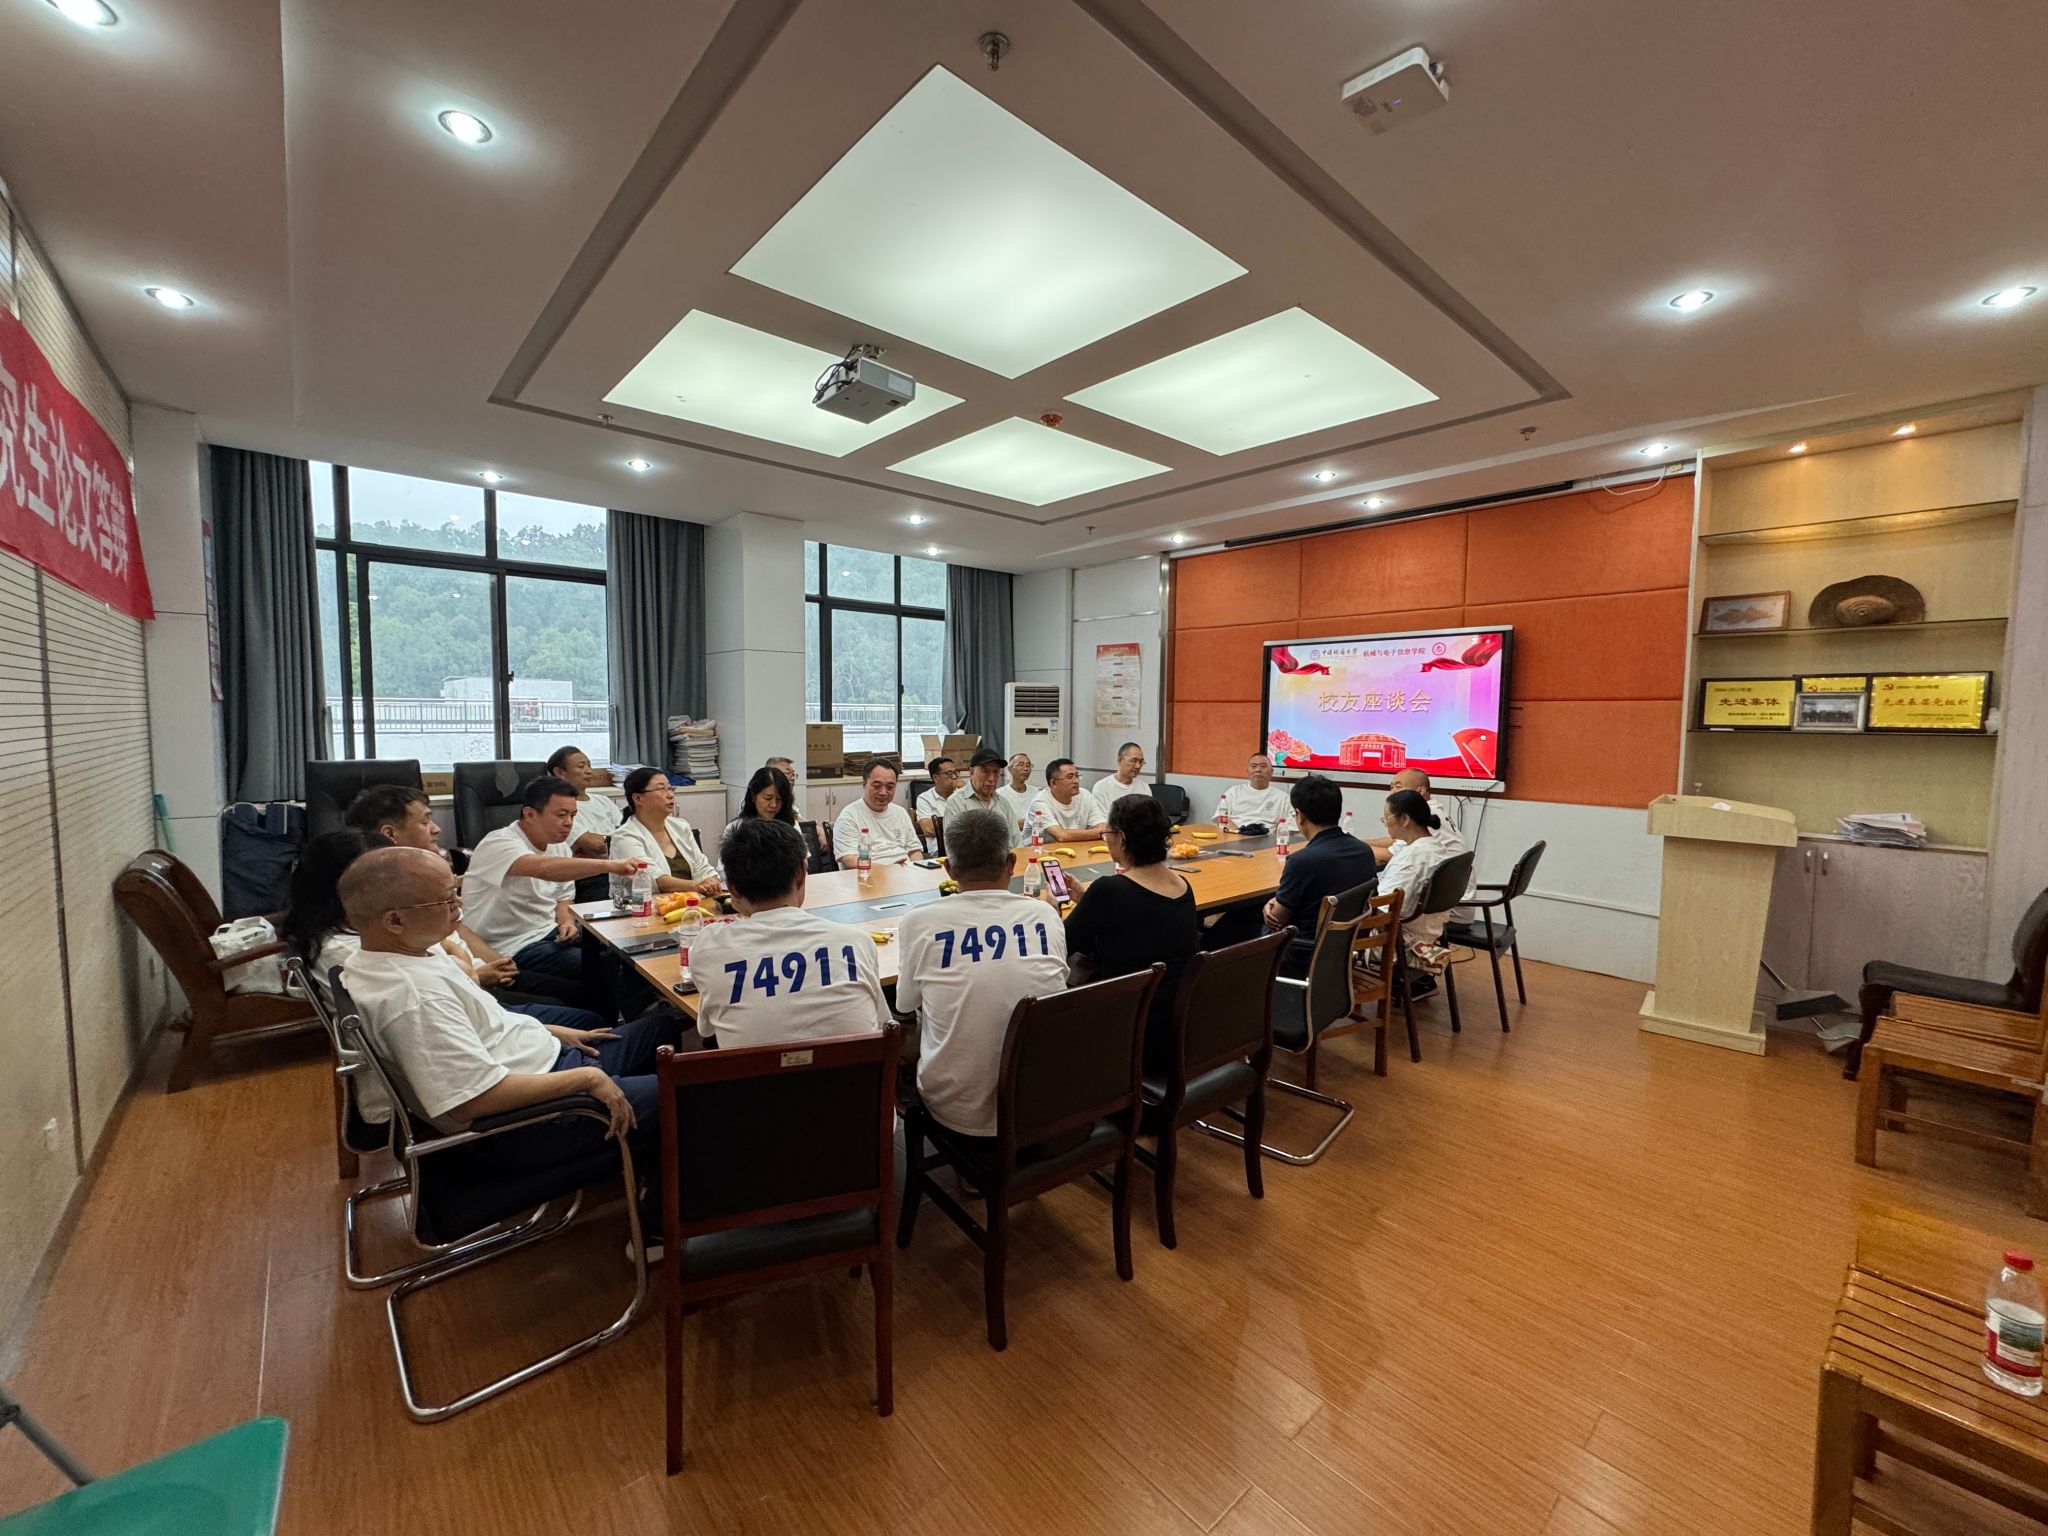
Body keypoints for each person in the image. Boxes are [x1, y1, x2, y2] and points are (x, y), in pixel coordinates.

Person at [337, 847, 679, 1248]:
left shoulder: (401, 954)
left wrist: (553, 1032)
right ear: (394, 920)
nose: (459, 906)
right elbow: (471, 1101)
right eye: (447, 900)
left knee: (660, 1028)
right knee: (691, 1091)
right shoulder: (412, 998)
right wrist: (586, 1079)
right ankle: (658, 1230)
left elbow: (484, 1023)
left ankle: (650, 1155)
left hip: (542, 1063)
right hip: (525, 1121)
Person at [895, 810, 1067, 1138]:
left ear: (949, 868)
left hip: (959, 1113)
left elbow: (905, 1005)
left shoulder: (919, 922)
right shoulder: (1045, 915)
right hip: (1044, 1105)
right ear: (1011, 863)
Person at [344, 783, 586, 1009]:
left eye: (572, 815)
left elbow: (456, 931)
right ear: (390, 833)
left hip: (482, 967)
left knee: (591, 971)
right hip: (469, 983)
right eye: (425, 821)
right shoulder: (390, 891)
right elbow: (427, 971)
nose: (436, 828)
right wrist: (477, 973)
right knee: (582, 998)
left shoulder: (414, 875)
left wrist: (495, 963)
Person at [691, 819, 891, 1048]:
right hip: (853, 1071)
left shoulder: (708, 947)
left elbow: (706, 1029)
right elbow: (884, 1025)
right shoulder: (856, 942)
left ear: (732, 888)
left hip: (751, 1073)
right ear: (802, 874)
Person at [460, 776, 637, 1006]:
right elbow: (542, 868)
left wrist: (566, 921)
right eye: (561, 815)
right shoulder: (499, 843)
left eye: (573, 815)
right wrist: (609, 865)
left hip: (550, 935)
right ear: (530, 814)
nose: (568, 823)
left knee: (622, 949)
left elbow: (564, 897)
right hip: (512, 946)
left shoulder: (559, 845)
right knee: (602, 966)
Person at [1061, 794, 1200, 1076]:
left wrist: (1052, 910)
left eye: (1108, 833)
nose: (1106, 839)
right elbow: (1136, 930)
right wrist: (1087, 901)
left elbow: (1061, 944)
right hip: (1175, 1025)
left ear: (1122, 838)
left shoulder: (1109, 890)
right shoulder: (1183, 885)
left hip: (1126, 1027)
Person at [1263, 774, 1378, 976]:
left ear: (1299, 816)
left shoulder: (1302, 861)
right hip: (1343, 951)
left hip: (1302, 956)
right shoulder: (1364, 851)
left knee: (1234, 927)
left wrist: (1273, 904)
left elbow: (1278, 920)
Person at [1378, 789, 1473, 961]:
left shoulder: (1412, 860)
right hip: (1429, 932)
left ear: (1405, 819)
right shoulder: (1437, 846)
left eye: (1387, 818)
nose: (1385, 823)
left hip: (1397, 942)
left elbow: (1384, 912)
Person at [609, 767, 724, 896]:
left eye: (670, 788)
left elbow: (702, 867)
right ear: (638, 798)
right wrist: (698, 886)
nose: (670, 795)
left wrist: (712, 880)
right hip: (644, 905)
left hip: (692, 901)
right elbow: (654, 880)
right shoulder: (625, 836)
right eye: (661, 789)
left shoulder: (680, 826)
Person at [833, 759, 921, 867]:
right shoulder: (849, 816)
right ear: (864, 784)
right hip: (867, 874)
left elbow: (915, 851)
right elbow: (850, 860)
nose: (883, 792)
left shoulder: (900, 812)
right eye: (876, 786)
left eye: (890, 787)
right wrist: (889, 870)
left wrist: (915, 869)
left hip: (904, 871)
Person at [1367, 768, 1462, 865]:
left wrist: (1358, 848)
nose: (1393, 793)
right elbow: (1396, 840)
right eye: (1391, 787)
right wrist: (1364, 843)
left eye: (1398, 787)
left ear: (1421, 790)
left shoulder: (1425, 812)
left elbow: (1393, 855)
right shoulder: (1433, 807)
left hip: (1445, 871)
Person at [548, 744, 620, 856]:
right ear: (559, 772)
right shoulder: (557, 807)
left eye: (589, 765)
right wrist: (621, 843)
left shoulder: (604, 801)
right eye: (581, 766)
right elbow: (594, 844)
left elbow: (626, 832)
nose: (589, 771)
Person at [944, 748, 1021, 847]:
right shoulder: (956, 802)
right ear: (971, 772)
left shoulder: (1003, 803)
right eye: (985, 771)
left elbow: (1018, 841)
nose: (991, 778)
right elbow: (953, 848)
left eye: (996, 771)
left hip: (1008, 856)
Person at [1024, 758, 1107, 843]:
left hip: (1075, 847)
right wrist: (1099, 833)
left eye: (1077, 776)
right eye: (1070, 777)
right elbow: (1061, 836)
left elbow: (1102, 826)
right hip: (1040, 849)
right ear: (1053, 783)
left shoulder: (1085, 795)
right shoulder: (1039, 802)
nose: (1076, 781)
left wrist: (1100, 831)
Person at [1216, 753, 1289, 831]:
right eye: (1253, 766)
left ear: (1271, 772)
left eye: (1263, 766)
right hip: (1236, 835)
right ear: (1247, 771)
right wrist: (1239, 833)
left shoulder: (1283, 797)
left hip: (1268, 837)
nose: (1258, 770)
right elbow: (1220, 817)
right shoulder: (1233, 792)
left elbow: (1289, 827)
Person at [731, 764, 799, 827]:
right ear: (753, 796)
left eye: (779, 799)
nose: (774, 805)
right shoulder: (736, 827)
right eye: (768, 798)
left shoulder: (792, 826)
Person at [1091, 741, 1147, 811]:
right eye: (1133, 761)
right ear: (1119, 760)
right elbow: (1100, 817)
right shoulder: (1101, 787)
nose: (1138, 766)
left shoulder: (1144, 787)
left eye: (1141, 762)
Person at [915, 755, 959, 840]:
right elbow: (928, 829)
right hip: (939, 847)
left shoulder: (961, 795)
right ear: (935, 777)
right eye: (949, 773)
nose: (954, 777)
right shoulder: (924, 799)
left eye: (955, 772)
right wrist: (961, 827)